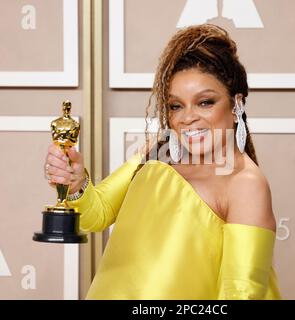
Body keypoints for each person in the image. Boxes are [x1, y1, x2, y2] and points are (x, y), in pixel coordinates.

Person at [44, 24, 282, 300]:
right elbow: (96, 214)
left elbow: (240, 294)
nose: (187, 118)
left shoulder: (245, 183)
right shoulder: (159, 152)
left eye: (205, 102)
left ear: (236, 103)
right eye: (175, 106)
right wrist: (75, 184)